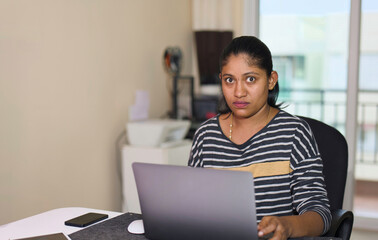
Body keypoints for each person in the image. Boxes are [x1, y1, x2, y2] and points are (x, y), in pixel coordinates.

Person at [188, 36, 331, 240]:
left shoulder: (294, 134)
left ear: (271, 80)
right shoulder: (205, 135)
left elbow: (320, 214)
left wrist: (287, 226)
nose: (239, 92)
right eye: (230, 80)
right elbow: (192, 205)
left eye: (251, 79)